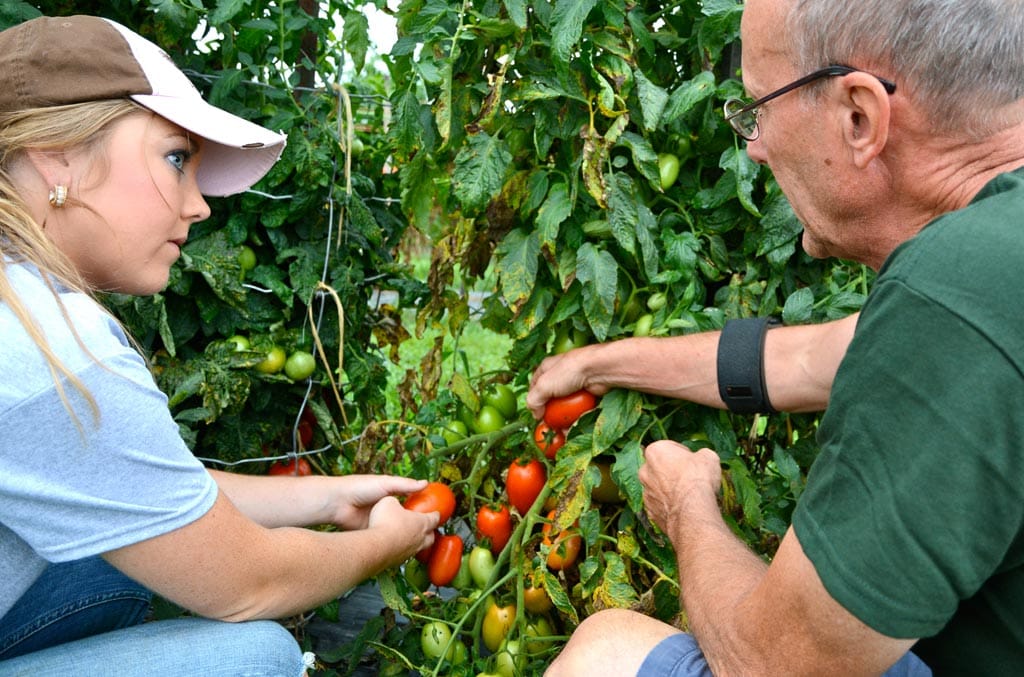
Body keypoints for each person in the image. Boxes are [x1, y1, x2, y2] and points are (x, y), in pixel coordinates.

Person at [532, 0, 1024, 675]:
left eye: (758, 108)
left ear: (860, 117)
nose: (754, 145)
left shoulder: (954, 295)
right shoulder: (993, 260)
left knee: (606, 650)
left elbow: (774, 662)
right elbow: (805, 360)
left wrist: (688, 507)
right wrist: (601, 363)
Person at [0, 15, 439, 675]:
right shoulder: (56, 349)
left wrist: (326, 497)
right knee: (256, 657)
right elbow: (248, 583)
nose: (200, 205)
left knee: (126, 555)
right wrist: (383, 545)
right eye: (176, 159)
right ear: (56, 153)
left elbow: (136, 490)